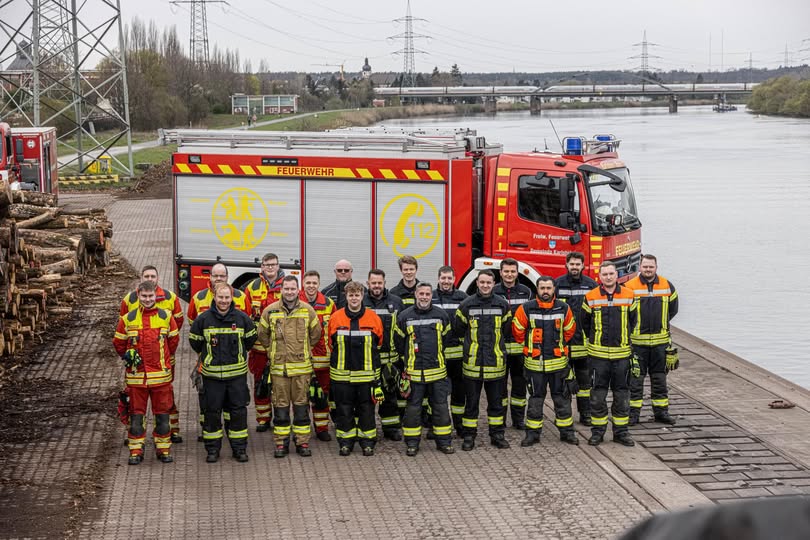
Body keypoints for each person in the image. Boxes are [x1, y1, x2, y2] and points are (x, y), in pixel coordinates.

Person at [189, 282, 257, 463]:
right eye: (221, 297)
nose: (224, 301)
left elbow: (250, 340)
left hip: (236, 378)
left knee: (238, 414)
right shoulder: (203, 320)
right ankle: (212, 450)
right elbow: (195, 342)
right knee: (212, 414)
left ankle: (239, 449)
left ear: (232, 298)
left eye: (227, 297)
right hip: (212, 378)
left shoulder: (242, 319)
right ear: (214, 297)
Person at [113, 280, 180, 465]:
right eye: (144, 296)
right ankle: (136, 450)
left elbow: (173, 342)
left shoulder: (166, 316)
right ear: (138, 295)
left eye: (151, 296)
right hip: (137, 379)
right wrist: (127, 355)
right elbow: (118, 342)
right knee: (136, 416)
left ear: (155, 296)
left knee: (163, 416)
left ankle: (163, 449)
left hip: (161, 378)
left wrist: (163, 360)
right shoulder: (128, 318)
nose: (148, 299)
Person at [119, 265, 185, 443]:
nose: (150, 279)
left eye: (152, 276)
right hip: (138, 367)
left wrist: (162, 349)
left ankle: (172, 430)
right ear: (141, 279)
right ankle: (134, 436)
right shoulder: (129, 300)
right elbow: (121, 333)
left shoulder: (170, 298)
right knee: (135, 405)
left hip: (163, 361)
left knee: (165, 398)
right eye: (146, 276)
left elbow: (178, 324)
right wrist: (129, 354)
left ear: (158, 278)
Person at [258, 275, 322, 458]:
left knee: (302, 409)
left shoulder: (308, 311)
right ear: (281, 290)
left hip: (302, 371)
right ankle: (281, 444)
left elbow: (316, 334)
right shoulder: (270, 311)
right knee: (280, 409)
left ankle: (302, 443)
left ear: (298, 290)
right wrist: (272, 350)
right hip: (279, 371)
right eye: (286, 288)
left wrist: (304, 348)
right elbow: (262, 334)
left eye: (293, 288)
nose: (289, 292)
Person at [512, 276, 578, 446]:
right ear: (537, 289)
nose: (545, 291)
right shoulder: (526, 308)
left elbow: (570, 330)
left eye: (548, 288)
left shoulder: (564, 308)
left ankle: (567, 433)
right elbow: (518, 331)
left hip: (558, 366)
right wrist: (531, 347)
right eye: (542, 288)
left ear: (554, 289)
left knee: (562, 400)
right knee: (535, 400)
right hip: (535, 366)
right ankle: (532, 434)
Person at [187, 263, 250, 441]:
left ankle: (231, 430)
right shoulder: (198, 298)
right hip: (210, 364)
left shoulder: (241, 297)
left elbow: (248, 326)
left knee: (234, 404)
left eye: (222, 276)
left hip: (234, 365)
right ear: (210, 277)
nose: (218, 279)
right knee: (208, 402)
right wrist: (206, 350)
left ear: (227, 277)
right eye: (215, 275)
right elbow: (193, 325)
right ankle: (208, 431)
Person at [453, 270, 512, 451]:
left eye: (488, 282)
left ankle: (497, 435)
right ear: (477, 283)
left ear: (494, 283)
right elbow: (458, 329)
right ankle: (469, 436)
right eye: (482, 282)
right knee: (471, 404)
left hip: (495, 364)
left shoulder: (502, 305)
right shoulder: (466, 305)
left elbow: (506, 331)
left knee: (496, 404)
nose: (485, 285)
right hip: (473, 364)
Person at [581, 261, 638, 447]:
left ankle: (621, 433)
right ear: (600, 276)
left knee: (622, 396)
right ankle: (597, 433)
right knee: (597, 397)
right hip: (598, 358)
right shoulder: (590, 296)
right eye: (604, 274)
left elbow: (633, 321)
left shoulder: (629, 295)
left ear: (617, 275)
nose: (608, 277)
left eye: (611, 274)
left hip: (622, 357)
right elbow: (585, 323)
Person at [395, 282, 455, 456]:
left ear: (431, 295)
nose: (424, 297)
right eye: (421, 294)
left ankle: (444, 442)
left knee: (441, 408)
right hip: (414, 374)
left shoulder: (441, 315)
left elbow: (446, 339)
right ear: (416, 294)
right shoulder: (404, 316)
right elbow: (399, 343)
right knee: (413, 410)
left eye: (427, 294)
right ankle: (412, 443)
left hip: (437, 373)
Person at [327, 281, 384, 456]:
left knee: (366, 410)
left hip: (366, 377)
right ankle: (346, 443)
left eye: (357, 295)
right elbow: (330, 344)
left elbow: (378, 344)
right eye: (351, 295)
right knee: (344, 410)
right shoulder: (335, 318)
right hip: (341, 377)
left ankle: (367, 443)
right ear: (346, 296)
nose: (354, 298)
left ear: (362, 296)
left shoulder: (373, 318)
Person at [626, 254, 679, 425]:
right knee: (635, 381)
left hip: (660, 344)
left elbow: (673, 310)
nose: (648, 270)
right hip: (637, 344)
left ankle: (661, 413)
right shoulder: (629, 286)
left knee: (660, 381)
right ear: (639, 267)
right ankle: (633, 415)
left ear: (656, 267)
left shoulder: (667, 285)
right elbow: (624, 313)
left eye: (651, 267)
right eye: (645, 266)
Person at [555, 252, 598, 426]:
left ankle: (586, 414)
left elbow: (596, 313)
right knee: (563, 383)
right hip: (562, 343)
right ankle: (564, 417)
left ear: (583, 266)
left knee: (585, 384)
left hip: (583, 343)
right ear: (566, 265)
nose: (574, 267)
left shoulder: (591, 285)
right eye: (572, 264)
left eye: (577, 264)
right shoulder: (557, 284)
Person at [363, 268, 405, 440]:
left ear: (384, 283)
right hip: (367, 361)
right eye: (373, 283)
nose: (376, 286)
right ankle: (368, 429)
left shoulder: (396, 302)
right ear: (368, 283)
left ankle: (391, 428)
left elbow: (402, 329)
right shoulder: (361, 302)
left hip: (390, 360)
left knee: (390, 398)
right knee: (366, 398)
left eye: (379, 283)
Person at [244, 253, 285, 432]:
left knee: (281, 385)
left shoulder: (287, 286)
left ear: (278, 266)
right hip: (259, 348)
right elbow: (246, 317)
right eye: (267, 264)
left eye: (273, 264)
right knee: (260, 383)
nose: (270, 267)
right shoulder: (252, 287)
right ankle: (263, 419)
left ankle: (281, 417)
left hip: (282, 347)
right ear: (261, 267)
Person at [493, 258, 533, 430]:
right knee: (499, 388)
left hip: (520, 350)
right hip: (500, 349)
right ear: (500, 273)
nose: (509, 275)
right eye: (506, 271)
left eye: (512, 271)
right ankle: (500, 420)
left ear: (517, 273)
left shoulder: (526, 292)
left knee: (519, 388)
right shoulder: (493, 291)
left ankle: (518, 420)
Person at [299, 270, 336, 441]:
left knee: (322, 397)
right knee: (301, 398)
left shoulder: (328, 304)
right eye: (308, 283)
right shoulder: (295, 302)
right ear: (303, 284)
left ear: (319, 284)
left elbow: (334, 330)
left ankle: (322, 429)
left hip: (323, 361)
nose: (311, 286)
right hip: (301, 360)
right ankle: (302, 429)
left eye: (314, 283)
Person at [432, 265, 468, 435]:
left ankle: (459, 425)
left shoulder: (463, 298)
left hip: (458, 355)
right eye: (443, 278)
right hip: (437, 355)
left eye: (449, 278)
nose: (446, 281)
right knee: (437, 393)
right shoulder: (431, 297)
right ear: (438, 278)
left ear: (454, 279)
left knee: (459, 392)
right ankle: (436, 425)